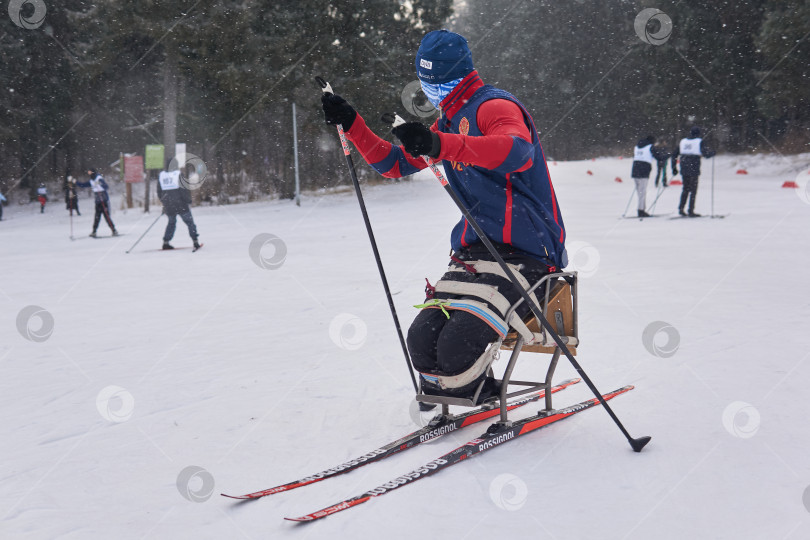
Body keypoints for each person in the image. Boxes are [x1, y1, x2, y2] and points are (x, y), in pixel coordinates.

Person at [321, 29, 567, 404]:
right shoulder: (447, 121)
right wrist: (352, 123)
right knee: (422, 339)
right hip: (475, 250)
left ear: (461, 76)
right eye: (428, 84)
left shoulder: (494, 106)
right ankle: (461, 388)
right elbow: (393, 164)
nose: (435, 92)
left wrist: (440, 145)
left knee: (456, 343)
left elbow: (517, 151)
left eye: (441, 83)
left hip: (529, 248)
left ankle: (469, 385)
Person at [671, 126, 716, 217]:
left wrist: (674, 167)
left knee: (685, 189)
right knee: (693, 190)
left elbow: (674, 154)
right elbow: (706, 154)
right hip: (694, 167)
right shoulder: (700, 141)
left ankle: (681, 208)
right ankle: (690, 210)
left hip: (684, 166)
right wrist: (713, 153)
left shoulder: (683, 141)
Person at [157, 161, 200, 250]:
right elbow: (183, 190)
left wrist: (164, 202)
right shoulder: (178, 175)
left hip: (169, 205)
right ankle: (195, 241)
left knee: (171, 223)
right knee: (189, 222)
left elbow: (159, 191)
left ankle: (166, 242)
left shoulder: (162, 176)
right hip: (181, 204)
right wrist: (188, 200)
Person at [631, 135, 669, 217]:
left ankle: (641, 209)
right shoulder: (650, 147)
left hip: (635, 170)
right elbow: (658, 157)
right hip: (643, 170)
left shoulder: (637, 146)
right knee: (642, 192)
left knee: (639, 192)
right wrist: (667, 155)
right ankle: (640, 210)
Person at [77, 168, 118, 237]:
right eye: (88, 173)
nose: (89, 174)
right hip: (98, 202)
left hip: (104, 201)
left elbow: (106, 186)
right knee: (97, 217)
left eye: (90, 172)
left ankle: (114, 230)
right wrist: (75, 182)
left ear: (93, 172)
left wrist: (99, 184)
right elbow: (83, 185)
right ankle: (94, 232)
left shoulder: (99, 178)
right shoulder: (91, 181)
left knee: (107, 217)